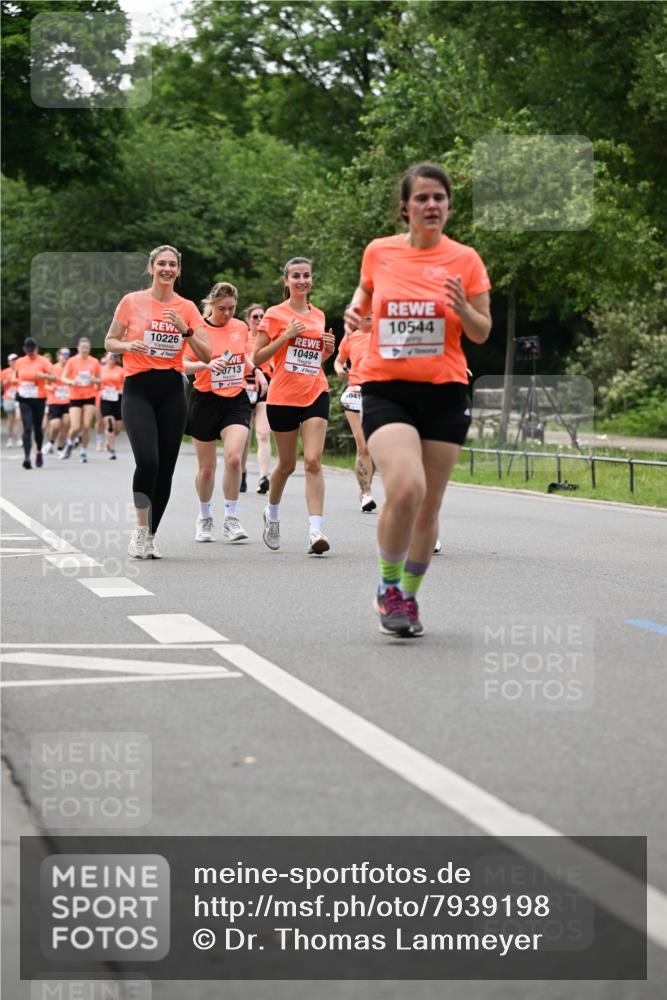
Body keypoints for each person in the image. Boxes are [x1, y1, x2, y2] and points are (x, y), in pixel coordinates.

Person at [344, 162, 491, 636]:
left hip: (446, 390)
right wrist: (355, 311)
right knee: (407, 487)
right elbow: (365, 291)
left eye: (439, 198)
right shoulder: (379, 252)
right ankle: (387, 587)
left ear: (449, 206)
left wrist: (462, 307)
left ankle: (408, 597)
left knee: (429, 507)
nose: (432, 205)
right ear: (405, 208)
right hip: (387, 387)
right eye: (422, 198)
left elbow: (482, 331)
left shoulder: (465, 260)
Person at [104, 244, 210, 558]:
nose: (167, 269)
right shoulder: (132, 302)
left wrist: (186, 330)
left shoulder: (187, 307)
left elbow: (206, 354)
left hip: (172, 391)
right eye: (161, 263)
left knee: (165, 468)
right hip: (138, 387)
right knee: (147, 461)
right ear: (151, 268)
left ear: (178, 271)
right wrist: (128, 345)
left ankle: (151, 535)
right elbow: (109, 340)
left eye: (172, 265)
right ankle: (139, 530)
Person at [253, 257, 335, 555]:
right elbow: (257, 358)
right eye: (296, 276)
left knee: (313, 461)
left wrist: (327, 349)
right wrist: (285, 336)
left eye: (307, 276)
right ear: (286, 281)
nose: (302, 280)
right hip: (283, 396)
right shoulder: (275, 315)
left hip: (316, 390)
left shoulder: (319, 315)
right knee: (286, 465)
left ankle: (315, 531)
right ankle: (272, 515)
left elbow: (316, 359)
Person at [184, 282, 267, 543]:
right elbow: (182, 365)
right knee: (207, 468)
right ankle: (204, 516)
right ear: (211, 305)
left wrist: (256, 370)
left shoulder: (240, 327)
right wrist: (207, 365)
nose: (228, 313)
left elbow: (241, 356)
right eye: (222, 309)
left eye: (232, 308)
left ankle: (231, 519)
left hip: (236, 398)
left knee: (233, 459)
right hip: (205, 399)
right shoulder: (199, 329)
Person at [333, 313, 377, 512]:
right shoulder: (350, 336)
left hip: (379, 394)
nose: (368, 314)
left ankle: (365, 486)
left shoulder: (385, 334)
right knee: (363, 446)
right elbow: (338, 360)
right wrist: (340, 370)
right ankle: (366, 494)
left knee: (374, 448)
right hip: (355, 392)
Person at [241, 303, 272, 495]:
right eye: (255, 317)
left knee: (263, 432)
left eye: (262, 317)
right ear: (248, 320)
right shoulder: (242, 338)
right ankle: (241, 472)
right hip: (244, 386)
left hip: (264, 386)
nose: (259, 320)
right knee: (244, 436)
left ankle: (263, 477)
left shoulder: (268, 341)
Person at [13, 338, 54, 469]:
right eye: (27, 351)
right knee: (27, 427)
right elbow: (15, 376)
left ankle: (38, 452)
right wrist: (15, 381)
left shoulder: (44, 361)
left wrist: (43, 376)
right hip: (24, 398)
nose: (30, 353)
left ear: (37, 349)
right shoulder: (19, 362)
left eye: (32, 351)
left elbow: (54, 377)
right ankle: (26, 457)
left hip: (39, 398)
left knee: (38, 428)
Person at [62, 337, 102, 463]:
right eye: (82, 347)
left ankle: (83, 451)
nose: (85, 350)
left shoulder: (94, 362)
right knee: (75, 426)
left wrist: (93, 380)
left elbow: (100, 379)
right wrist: (71, 381)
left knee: (86, 426)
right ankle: (69, 443)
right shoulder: (72, 361)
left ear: (89, 349)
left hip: (89, 395)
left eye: (87, 348)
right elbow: (63, 377)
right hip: (75, 396)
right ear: (78, 348)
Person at [44, 347, 71, 457]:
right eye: (63, 354)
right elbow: (45, 384)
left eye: (67, 354)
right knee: (55, 425)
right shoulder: (52, 368)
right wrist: (52, 389)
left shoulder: (70, 369)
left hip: (67, 400)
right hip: (54, 400)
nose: (65, 357)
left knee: (66, 424)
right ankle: (50, 442)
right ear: (58, 355)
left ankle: (61, 448)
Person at [99, 352, 126, 459]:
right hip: (105, 399)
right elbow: (95, 382)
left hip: (118, 399)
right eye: (110, 356)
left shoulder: (121, 370)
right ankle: (112, 450)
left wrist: (121, 390)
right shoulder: (100, 369)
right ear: (106, 358)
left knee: (118, 428)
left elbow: (126, 384)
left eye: (114, 357)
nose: (112, 358)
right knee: (110, 424)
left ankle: (108, 440)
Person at [1, 353, 22, 447]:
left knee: (19, 417)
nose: (14, 362)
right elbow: (1, 386)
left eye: (16, 360)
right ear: (9, 362)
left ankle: (19, 438)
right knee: (10, 419)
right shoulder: (5, 372)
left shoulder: (21, 371)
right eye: (12, 360)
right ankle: (10, 439)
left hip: (19, 397)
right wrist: (4, 383)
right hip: (8, 397)